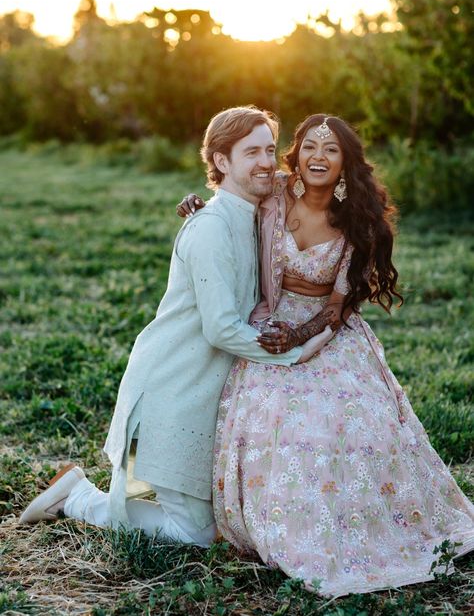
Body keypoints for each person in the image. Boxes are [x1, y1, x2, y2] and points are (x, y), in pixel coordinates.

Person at [182, 114, 474, 596]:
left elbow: (340, 305)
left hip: (327, 331)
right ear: (295, 155)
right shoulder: (274, 192)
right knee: (272, 410)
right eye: (310, 147)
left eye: (331, 149)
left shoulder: (357, 220)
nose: (319, 157)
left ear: (345, 163)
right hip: (269, 319)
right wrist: (197, 203)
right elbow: (230, 194)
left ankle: (355, 527)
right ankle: (269, 521)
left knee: (345, 418)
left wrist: (302, 333)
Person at [19, 106, 328, 546]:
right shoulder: (211, 228)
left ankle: (103, 494)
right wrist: (296, 353)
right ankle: (76, 498)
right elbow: (221, 329)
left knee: (187, 517)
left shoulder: (255, 217)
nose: (265, 161)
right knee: (196, 535)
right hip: (165, 399)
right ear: (221, 162)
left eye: (269, 150)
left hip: (196, 396)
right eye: (251, 152)